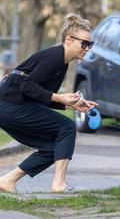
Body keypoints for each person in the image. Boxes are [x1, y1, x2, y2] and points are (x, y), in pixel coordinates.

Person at [0, 13, 98, 193]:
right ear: (69, 39)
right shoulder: (54, 57)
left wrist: (70, 104)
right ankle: (59, 184)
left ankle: (7, 181)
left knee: (54, 148)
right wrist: (60, 98)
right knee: (67, 127)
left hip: (12, 105)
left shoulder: (62, 61)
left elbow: (39, 95)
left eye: (90, 44)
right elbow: (27, 86)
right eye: (84, 43)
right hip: (10, 103)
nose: (87, 48)